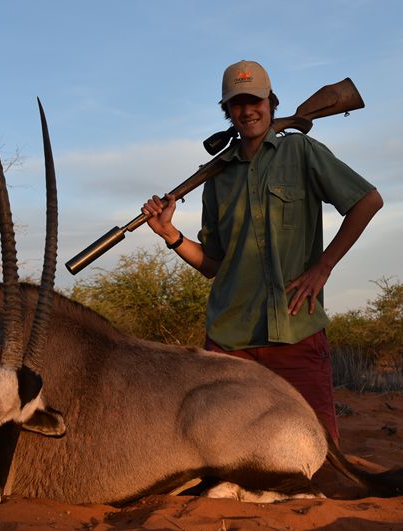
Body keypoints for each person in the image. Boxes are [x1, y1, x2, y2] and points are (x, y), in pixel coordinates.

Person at [141, 60, 383, 444]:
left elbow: (368, 201)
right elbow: (213, 266)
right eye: (237, 104)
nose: (247, 111)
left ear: (271, 102)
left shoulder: (301, 150)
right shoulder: (216, 177)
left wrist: (324, 266)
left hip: (295, 331)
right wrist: (170, 233)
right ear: (227, 111)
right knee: (223, 455)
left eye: (255, 100)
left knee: (320, 455)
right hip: (230, 343)